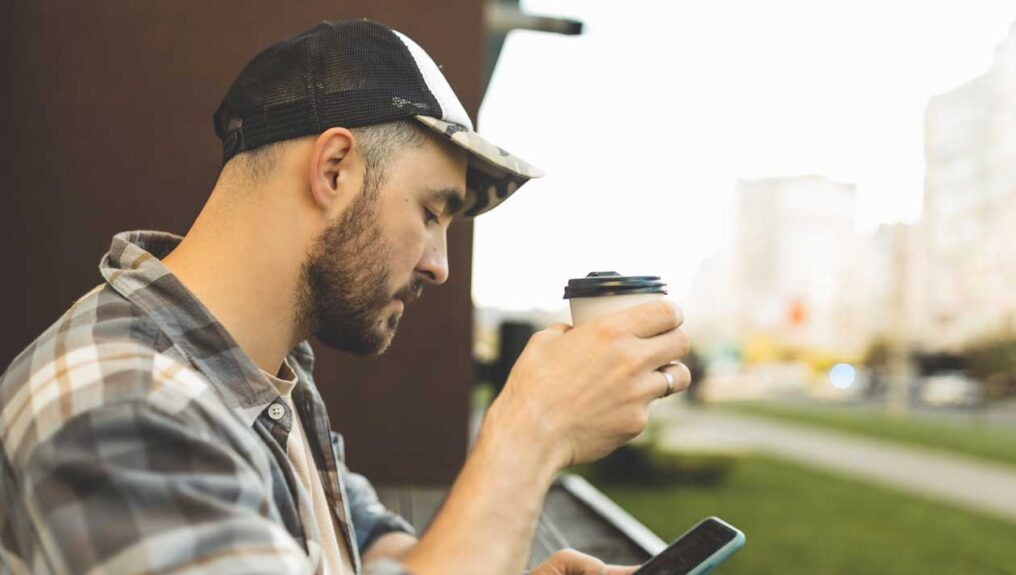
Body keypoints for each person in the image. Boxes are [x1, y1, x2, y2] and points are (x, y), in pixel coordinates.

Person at [0, 20, 690, 575]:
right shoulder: (121, 404)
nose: (439, 265)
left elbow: (368, 547)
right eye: (431, 211)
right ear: (334, 170)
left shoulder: (261, 374)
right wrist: (532, 428)